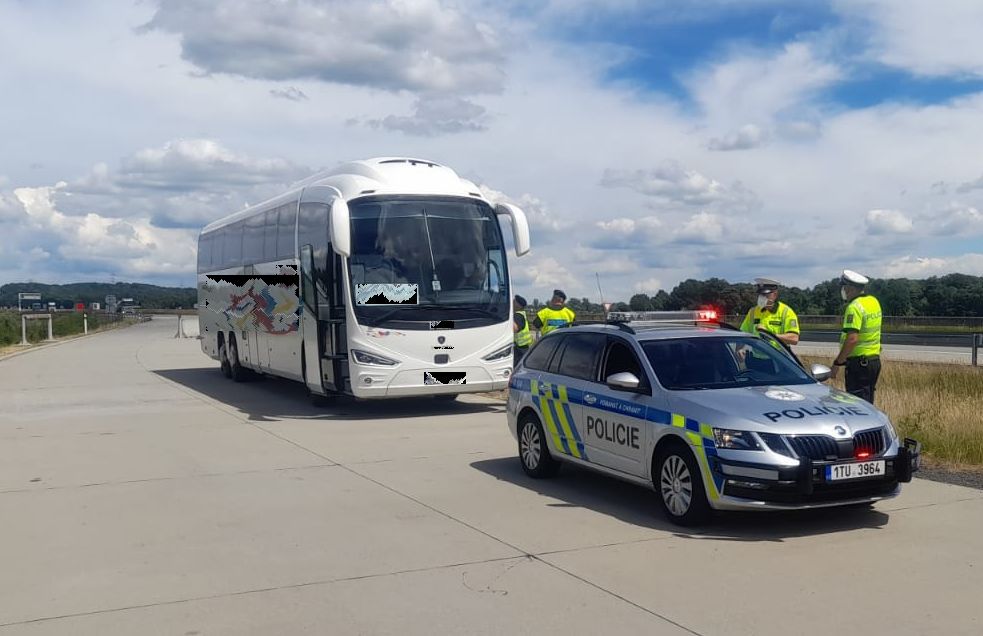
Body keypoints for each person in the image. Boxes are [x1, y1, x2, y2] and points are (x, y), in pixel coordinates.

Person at [831, 270, 883, 404]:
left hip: (859, 364)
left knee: (858, 404)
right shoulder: (873, 301)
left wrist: (838, 362)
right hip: (874, 361)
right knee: (868, 401)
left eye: (844, 287)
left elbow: (852, 339)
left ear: (850, 288)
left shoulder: (854, 307)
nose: (843, 291)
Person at [739, 278, 800, 346]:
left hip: (777, 355)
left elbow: (794, 339)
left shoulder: (786, 312)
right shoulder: (753, 312)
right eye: (760, 295)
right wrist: (739, 349)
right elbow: (743, 333)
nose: (762, 298)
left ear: (775, 295)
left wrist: (770, 335)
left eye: (765, 295)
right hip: (756, 355)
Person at [513, 295, 532, 366]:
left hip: (519, 349)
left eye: (514, 301)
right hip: (523, 348)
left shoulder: (518, 315)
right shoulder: (521, 314)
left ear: (518, 305)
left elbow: (515, 328)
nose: (512, 302)